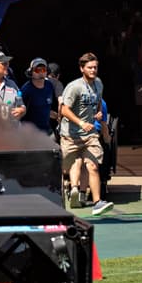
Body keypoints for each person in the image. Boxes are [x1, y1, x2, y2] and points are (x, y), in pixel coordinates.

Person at [58, 52, 112, 216]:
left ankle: (97, 202)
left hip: (90, 136)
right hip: (71, 136)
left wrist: (98, 114)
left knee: (93, 165)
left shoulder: (99, 84)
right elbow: (63, 109)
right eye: (90, 67)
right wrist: (80, 122)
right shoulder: (74, 87)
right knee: (67, 167)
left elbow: (97, 102)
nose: (93, 70)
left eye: (95, 67)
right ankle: (69, 194)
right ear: (82, 69)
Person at [20, 57, 58, 136]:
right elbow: (20, 111)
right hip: (31, 134)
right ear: (31, 72)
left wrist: (56, 116)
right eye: (37, 70)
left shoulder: (49, 85)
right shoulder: (26, 90)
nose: (41, 73)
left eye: (43, 70)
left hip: (47, 131)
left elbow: (45, 107)